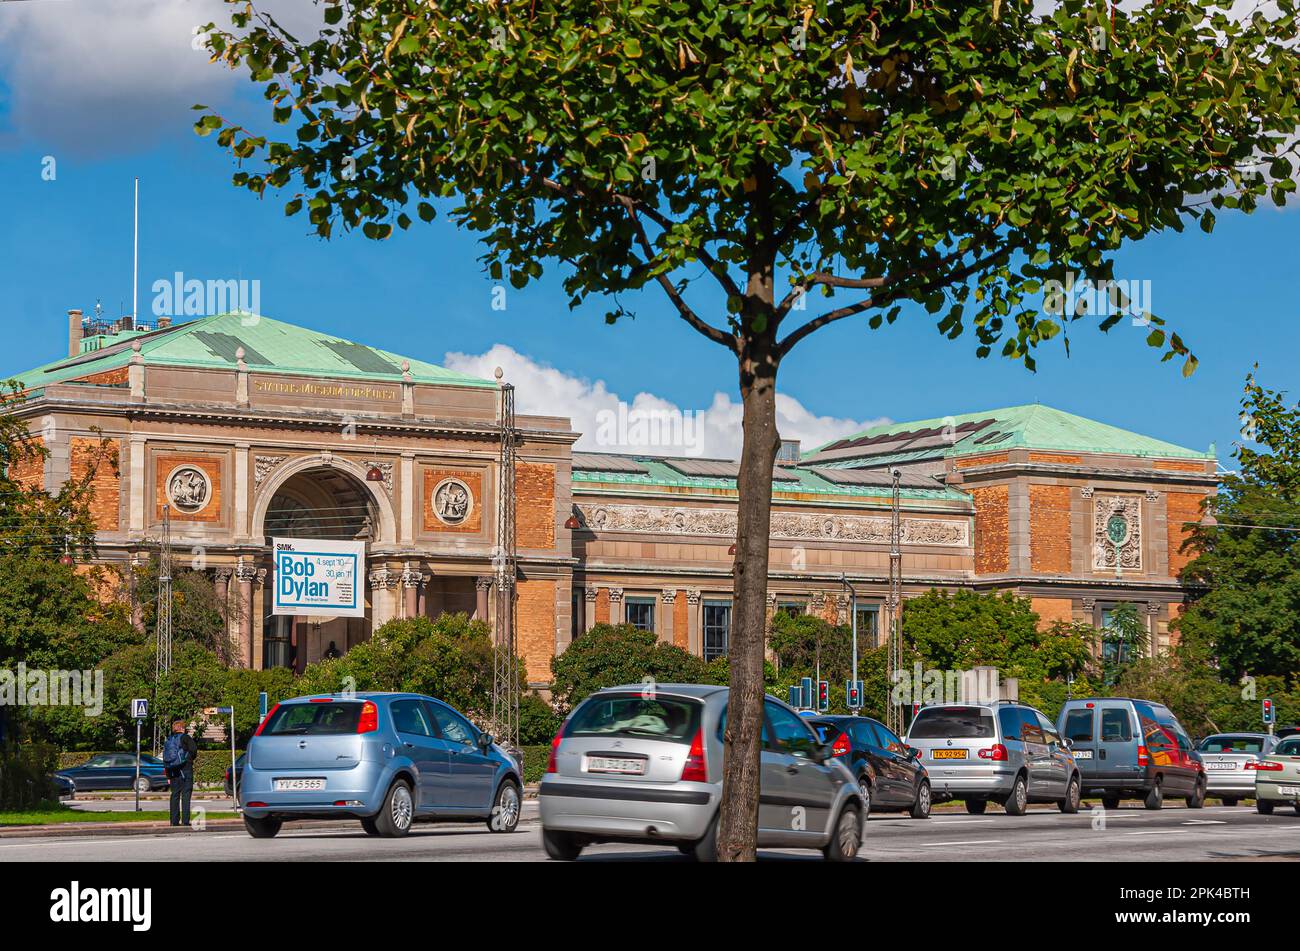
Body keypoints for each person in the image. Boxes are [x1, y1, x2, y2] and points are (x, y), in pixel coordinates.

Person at [163, 718, 198, 827]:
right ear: (182, 728)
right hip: (185, 769)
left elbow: (166, 757)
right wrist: (189, 759)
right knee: (186, 795)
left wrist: (168, 774)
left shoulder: (168, 740)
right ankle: (185, 821)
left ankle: (174, 821)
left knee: (174, 795)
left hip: (173, 771)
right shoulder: (186, 738)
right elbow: (194, 750)